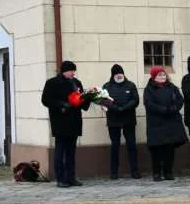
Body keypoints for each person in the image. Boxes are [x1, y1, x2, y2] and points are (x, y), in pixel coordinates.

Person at [41, 60, 91, 188]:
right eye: (71, 71)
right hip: (60, 122)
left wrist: (89, 97)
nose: (73, 73)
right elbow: (46, 99)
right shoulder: (52, 83)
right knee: (60, 150)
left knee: (71, 151)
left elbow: (82, 101)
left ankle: (71, 177)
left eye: (74, 71)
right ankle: (60, 179)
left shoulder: (76, 83)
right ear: (64, 71)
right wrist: (61, 104)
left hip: (74, 121)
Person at [143, 67, 187, 181]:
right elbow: (149, 103)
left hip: (171, 122)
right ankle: (157, 173)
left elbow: (180, 100)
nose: (162, 77)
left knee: (169, 149)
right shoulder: (149, 89)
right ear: (153, 77)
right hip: (156, 124)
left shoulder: (172, 87)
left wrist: (174, 108)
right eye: (159, 75)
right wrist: (163, 109)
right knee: (157, 150)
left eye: (164, 75)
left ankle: (168, 172)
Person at [103, 64, 140, 180]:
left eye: (121, 73)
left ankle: (134, 171)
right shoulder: (107, 86)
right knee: (115, 145)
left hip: (128, 119)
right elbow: (103, 100)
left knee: (131, 145)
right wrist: (116, 108)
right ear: (113, 75)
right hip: (113, 120)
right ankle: (114, 172)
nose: (119, 75)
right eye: (116, 73)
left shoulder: (131, 85)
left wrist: (124, 108)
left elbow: (135, 100)